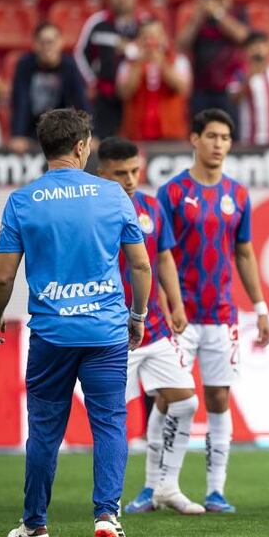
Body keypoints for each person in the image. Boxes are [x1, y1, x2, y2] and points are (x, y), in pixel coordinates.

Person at [0, 109, 150, 537]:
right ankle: (106, 516)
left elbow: (3, 276)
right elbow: (140, 265)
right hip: (105, 332)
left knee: (45, 429)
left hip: (51, 334)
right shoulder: (114, 195)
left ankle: (35, 523)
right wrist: (136, 316)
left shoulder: (22, 201)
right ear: (82, 146)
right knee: (109, 422)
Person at [156, 109, 269, 514]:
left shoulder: (238, 195)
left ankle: (215, 489)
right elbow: (158, 255)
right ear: (194, 139)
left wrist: (260, 307)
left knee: (219, 397)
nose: (219, 144)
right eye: (211, 136)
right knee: (168, 399)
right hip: (179, 316)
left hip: (222, 315)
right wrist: (166, 305)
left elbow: (244, 253)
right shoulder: (170, 194)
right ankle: (156, 486)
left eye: (225, 137)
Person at [93, 138, 202, 516]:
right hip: (109, 332)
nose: (129, 179)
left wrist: (176, 303)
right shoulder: (89, 211)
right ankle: (108, 503)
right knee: (111, 419)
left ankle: (166, 486)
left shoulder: (152, 206)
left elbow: (164, 257)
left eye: (134, 171)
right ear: (100, 173)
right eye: (119, 173)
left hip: (153, 327)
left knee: (185, 401)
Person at [177, 0, 249, 126]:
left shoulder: (237, 13)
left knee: (229, 131)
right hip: (201, 87)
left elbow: (242, 37)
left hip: (229, 87)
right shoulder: (196, 18)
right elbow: (181, 44)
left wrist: (218, 14)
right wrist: (197, 18)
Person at [74, 0, 143, 139]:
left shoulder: (144, 23)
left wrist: (131, 49)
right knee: (103, 139)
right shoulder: (98, 22)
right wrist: (91, 80)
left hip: (135, 95)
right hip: (105, 94)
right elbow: (80, 53)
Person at [9, 23, 88, 153]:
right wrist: (18, 135)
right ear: (35, 44)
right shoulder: (24, 65)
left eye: (51, 42)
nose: (47, 47)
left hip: (63, 133)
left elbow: (80, 101)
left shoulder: (69, 66)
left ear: (60, 42)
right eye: (42, 42)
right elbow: (20, 102)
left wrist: (88, 134)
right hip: (32, 133)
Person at [115, 19, 192, 142]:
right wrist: (138, 64)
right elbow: (124, 93)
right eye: (146, 36)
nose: (151, 41)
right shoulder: (128, 64)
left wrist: (162, 64)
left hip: (172, 134)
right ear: (139, 39)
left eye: (155, 36)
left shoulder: (178, 60)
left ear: (163, 37)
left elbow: (182, 88)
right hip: (136, 135)